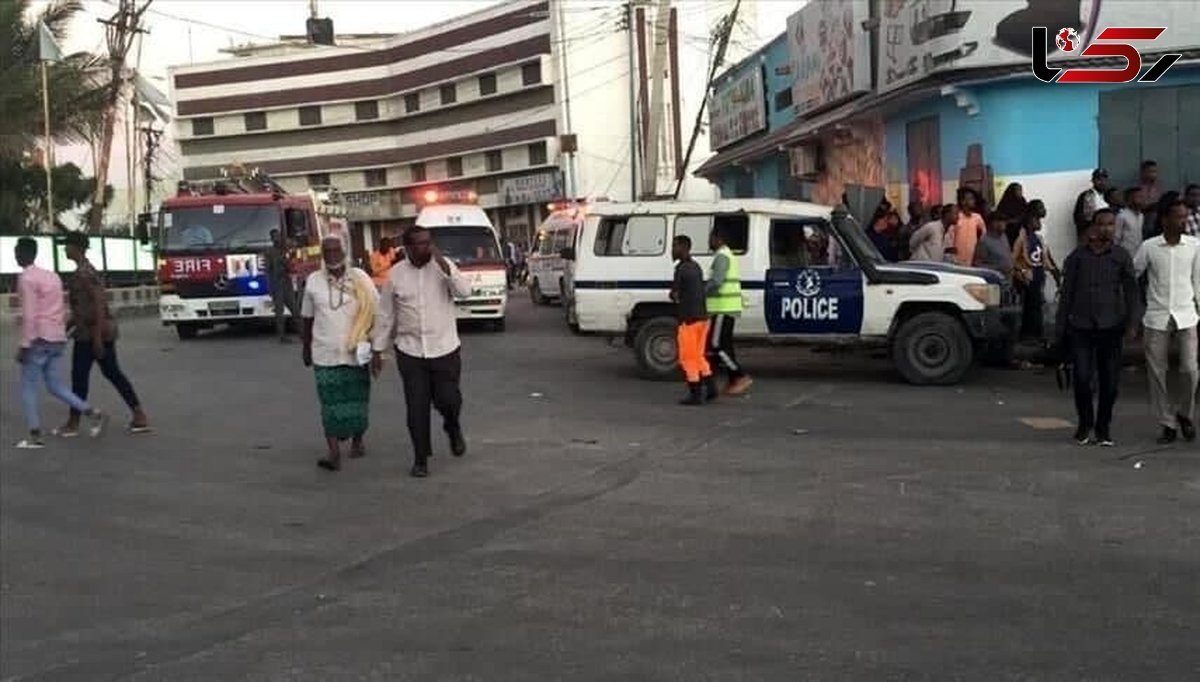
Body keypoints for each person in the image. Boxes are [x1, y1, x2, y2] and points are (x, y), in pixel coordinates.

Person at [371, 226, 472, 478]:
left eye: (427, 242)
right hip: (410, 352)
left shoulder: (443, 266)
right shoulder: (395, 275)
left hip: (444, 348)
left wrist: (444, 265)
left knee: (449, 400)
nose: (424, 247)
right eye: (417, 244)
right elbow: (385, 315)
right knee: (416, 407)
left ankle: (453, 426)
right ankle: (420, 458)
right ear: (407, 248)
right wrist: (377, 350)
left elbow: (465, 291)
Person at [1055, 209, 1139, 446]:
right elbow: (1066, 294)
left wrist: (1133, 323)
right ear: (1093, 228)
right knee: (1082, 378)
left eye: (1111, 225)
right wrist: (1060, 330)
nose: (1106, 229)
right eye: (1102, 224)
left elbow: (1132, 292)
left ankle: (1103, 427)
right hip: (1080, 326)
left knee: (1110, 383)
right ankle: (1085, 424)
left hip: (1111, 326)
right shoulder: (1078, 258)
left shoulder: (1121, 256)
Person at [13, 238, 107, 448]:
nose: (15, 255)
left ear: (22, 254)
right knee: (54, 385)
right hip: (57, 338)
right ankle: (92, 412)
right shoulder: (52, 276)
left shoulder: (26, 278)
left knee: (28, 386)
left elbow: (30, 315)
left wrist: (24, 344)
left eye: (16, 252)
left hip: (39, 338)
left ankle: (35, 435)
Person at [55, 231, 149, 437]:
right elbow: (82, 307)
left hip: (91, 335)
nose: (64, 249)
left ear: (76, 248)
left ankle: (73, 423)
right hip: (87, 332)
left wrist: (97, 337)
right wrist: (66, 328)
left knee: (81, 378)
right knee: (111, 373)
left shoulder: (85, 273)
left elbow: (99, 304)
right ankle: (139, 415)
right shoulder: (82, 271)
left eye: (67, 245)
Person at [302, 236, 379, 471]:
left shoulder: (361, 278)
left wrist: (376, 349)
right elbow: (307, 318)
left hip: (356, 353)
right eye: (327, 251)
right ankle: (333, 451)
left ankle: (357, 440)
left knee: (357, 400)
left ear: (344, 252)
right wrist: (305, 346)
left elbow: (376, 312)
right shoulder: (313, 281)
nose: (332, 255)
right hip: (324, 353)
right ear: (323, 255)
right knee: (329, 403)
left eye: (336, 250)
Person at [1132, 200, 1200, 445]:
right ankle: (1167, 422)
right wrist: (1134, 310)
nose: (1183, 222)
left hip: (1187, 314)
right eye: (1178, 217)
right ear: (1165, 220)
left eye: (1185, 217)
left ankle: (1185, 412)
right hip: (1156, 315)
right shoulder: (1150, 247)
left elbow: (1198, 282)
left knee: (1190, 369)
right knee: (1157, 372)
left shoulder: (1194, 246)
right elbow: (1133, 273)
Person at [705, 226, 752, 396]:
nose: (708, 241)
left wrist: (701, 291)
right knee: (725, 346)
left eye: (710, 238)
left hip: (722, 308)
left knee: (716, 345)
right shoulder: (726, 255)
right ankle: (733, 380)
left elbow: (717, 282)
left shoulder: (722, 256)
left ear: (718, 238)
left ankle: (739, 376)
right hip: (726, 307)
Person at [670, 235, 715, 406]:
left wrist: (673, 295)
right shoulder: (696, 267)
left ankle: (695, 394)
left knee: (687, 358)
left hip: (688, 320)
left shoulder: (681, 269)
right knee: (698, 356)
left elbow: (675, 294)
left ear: (684, 248)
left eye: (675, 246)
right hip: (703, 318)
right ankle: (710, 388)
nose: (672, 250)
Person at [1012, 200, 1060, 340]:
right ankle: (1032, 334)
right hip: (1028, 274)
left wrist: (1053, 269)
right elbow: (1015, 258)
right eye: (1036, 220)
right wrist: (1021, 272)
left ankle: (1033, 333)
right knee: (1032, 305)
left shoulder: (1037, 236)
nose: (1038, 223)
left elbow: (1045, 254)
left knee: (1036, 304)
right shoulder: (1023, 237)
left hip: (1038, 273)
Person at [265, 229, 298, 343]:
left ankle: (303, 334)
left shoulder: (285, 250)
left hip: (286, 282)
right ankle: (282, 336)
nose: (277, 239)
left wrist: (290, 256)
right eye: (274, 237)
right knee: (279, 313)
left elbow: (290, 264)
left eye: (278, 236)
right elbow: (268, 271)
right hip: (276, 284)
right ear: (271, 239)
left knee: (295, 310)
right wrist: (270, 288)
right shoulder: (270, 252)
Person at [946, 187, 985, 267]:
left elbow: (985, 232)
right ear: (963, 202)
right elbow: (949, 236)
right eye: (970, 198)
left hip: (973, 258)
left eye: (973, 198)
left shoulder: (977, 217)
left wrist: (980, 246)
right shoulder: (957, 217)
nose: (973, 201)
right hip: (957, 259)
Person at [973, 211, 1015, 278]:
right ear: (992, 223)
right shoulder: (984, 241)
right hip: (994, 280)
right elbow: (977, 265)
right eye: (1000, 221)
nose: (1004, 224)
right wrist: (998, 268)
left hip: (1008, 280)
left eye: (1004, 221)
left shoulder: (1003, 236)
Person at [1072, 168, 1110, 239]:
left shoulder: (1110, 195)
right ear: (1093, 181)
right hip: (1092, 235)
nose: (1102, 182)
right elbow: (1078, 217)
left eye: (1104, 179)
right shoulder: (1086, 196)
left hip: (1108, 233)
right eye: (1098, 180)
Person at [1114, 186, 1147, 258]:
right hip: (1124, 254)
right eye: (1138, 197)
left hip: (1138, 253)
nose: (1142, 199)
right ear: (1130, 199)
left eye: (1142, 197)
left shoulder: (1141, 216)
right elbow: (1116, 238)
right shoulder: (1121, 216)